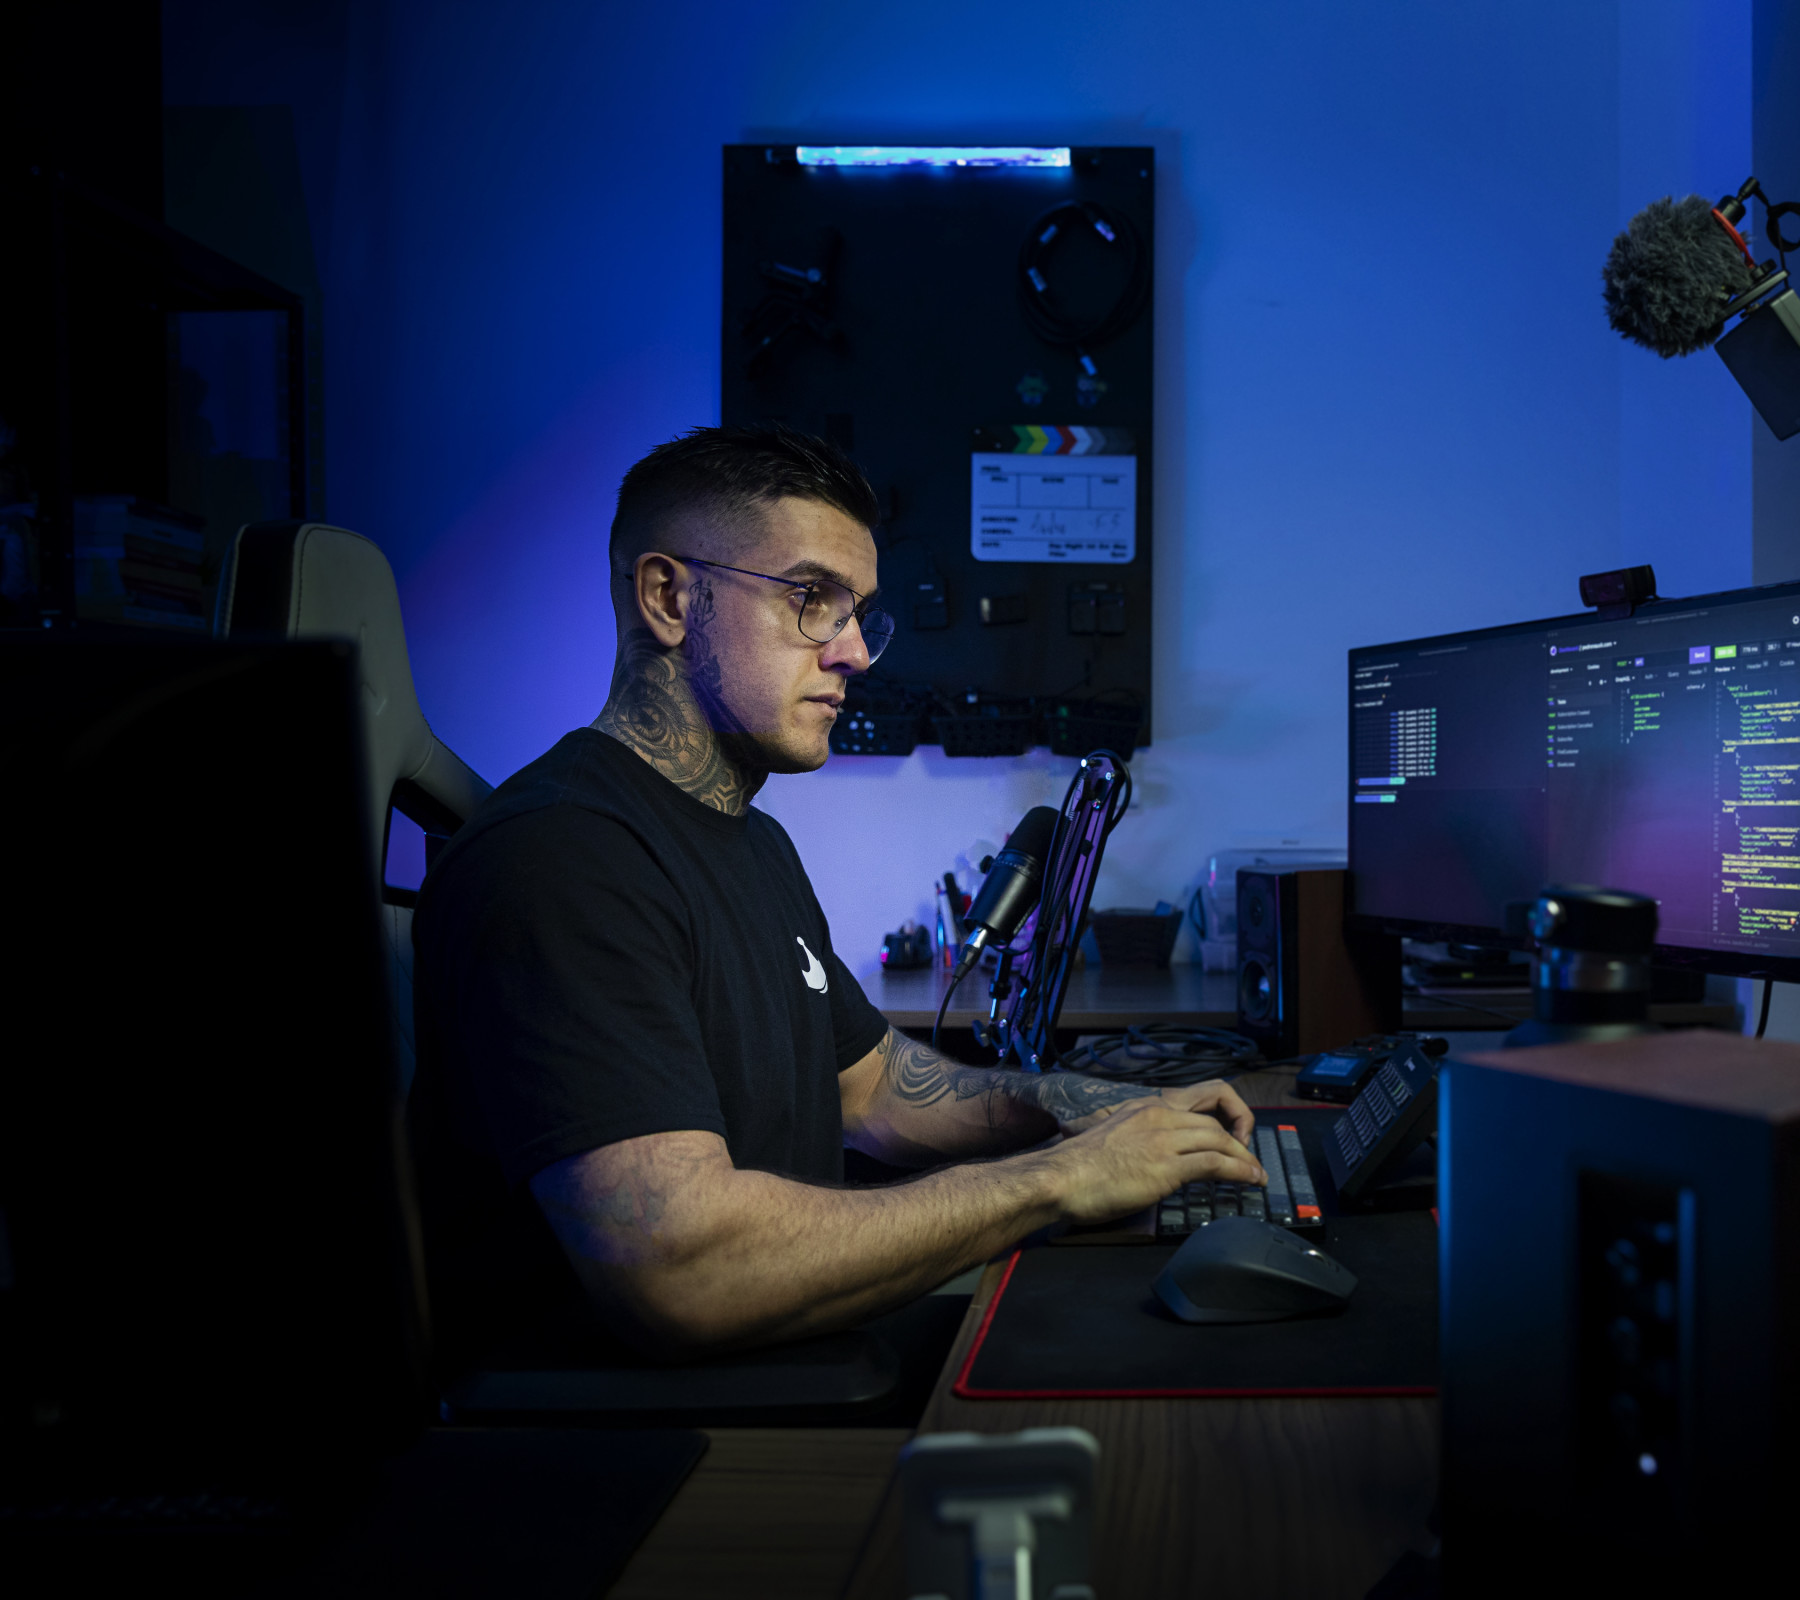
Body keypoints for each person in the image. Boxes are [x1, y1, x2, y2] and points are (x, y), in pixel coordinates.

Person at [409, 424, 1261, 1364]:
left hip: (792, 1351)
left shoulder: (752, 841)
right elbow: (681, 1269)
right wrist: (1059, 1179)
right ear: (668, 597)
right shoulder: (562, 861)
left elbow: (874, 1088)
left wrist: (1082, 1105)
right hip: (657, 1436)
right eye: (812, 598)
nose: (856, 651)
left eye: (859, 611)